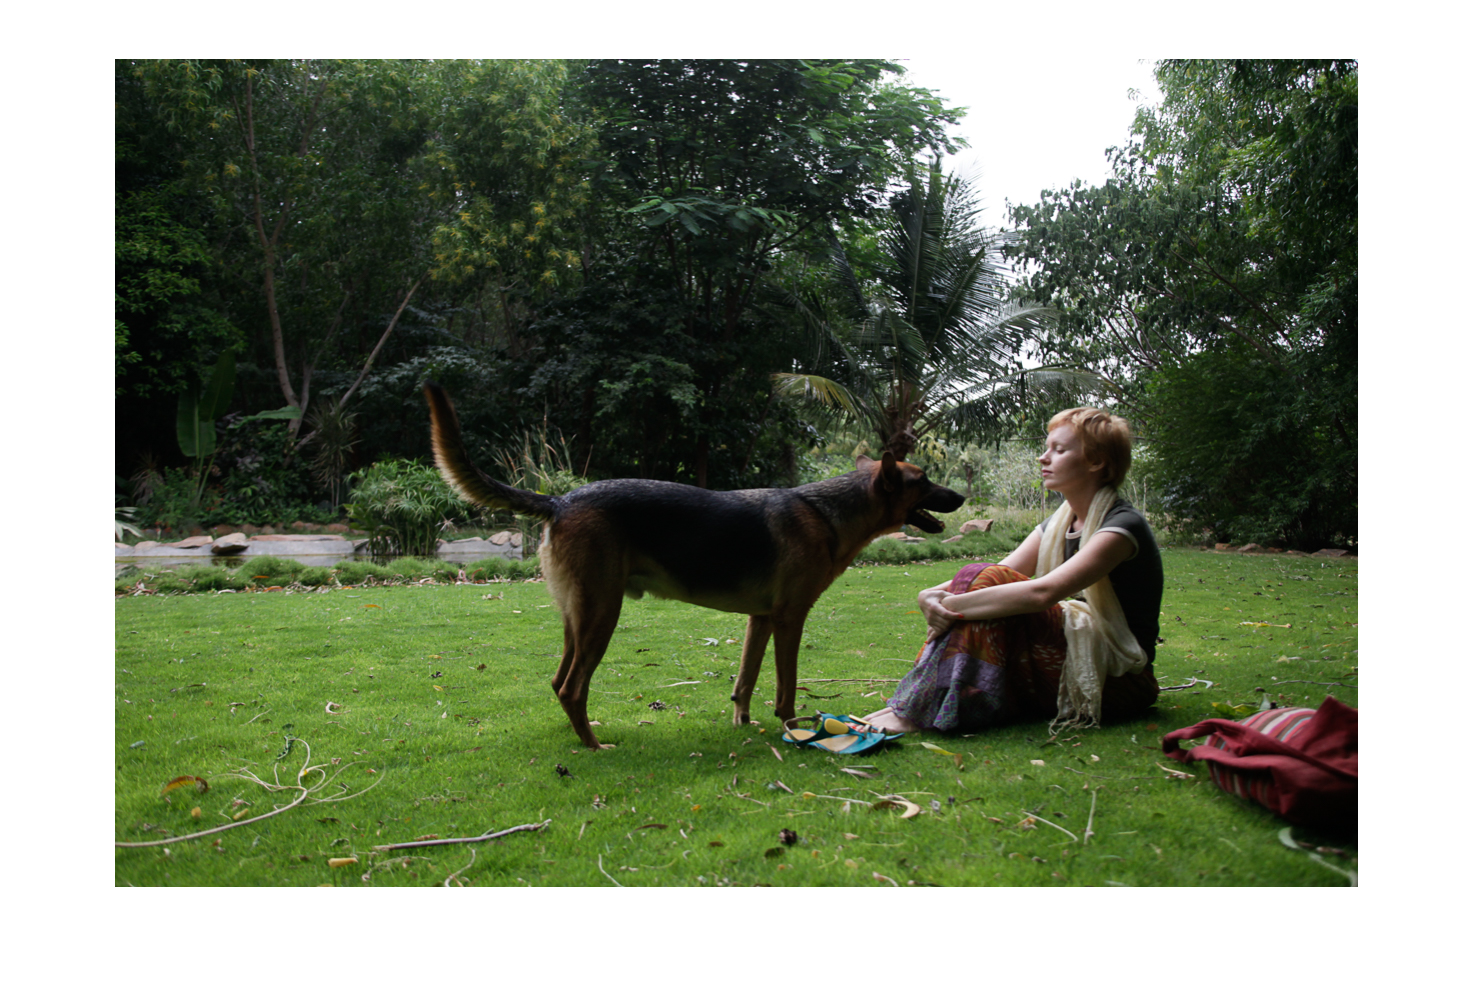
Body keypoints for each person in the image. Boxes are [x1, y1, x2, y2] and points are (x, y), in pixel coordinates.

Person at [863, 408, 1162, 734]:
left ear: (1096, 462)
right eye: (1046, 448)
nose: (1043, 458)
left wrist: (948, 606)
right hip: (1067, 661)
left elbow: (1043, 593)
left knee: (986, 579)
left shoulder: (1122, 526)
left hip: (1120, 679)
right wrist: (929, 594)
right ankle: (926, 700)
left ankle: (918, 708)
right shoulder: (1059, 523)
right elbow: (1000, 570)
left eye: (1059, 450)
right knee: (983, 577)